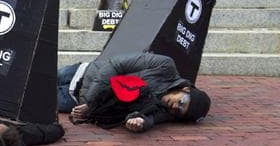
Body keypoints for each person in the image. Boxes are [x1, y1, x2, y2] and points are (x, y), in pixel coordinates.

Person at [57, 52, 211, 132]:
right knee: (36, 72)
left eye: (179, 111)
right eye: (181, 102)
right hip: (81, 73)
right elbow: (115, 65)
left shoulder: (165, 112)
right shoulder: (165, 66)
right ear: (186, 89)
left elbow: (149, 120)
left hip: (72, 99)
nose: (175, 106)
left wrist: (140, 123)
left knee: (35, 98)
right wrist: (91, 103)